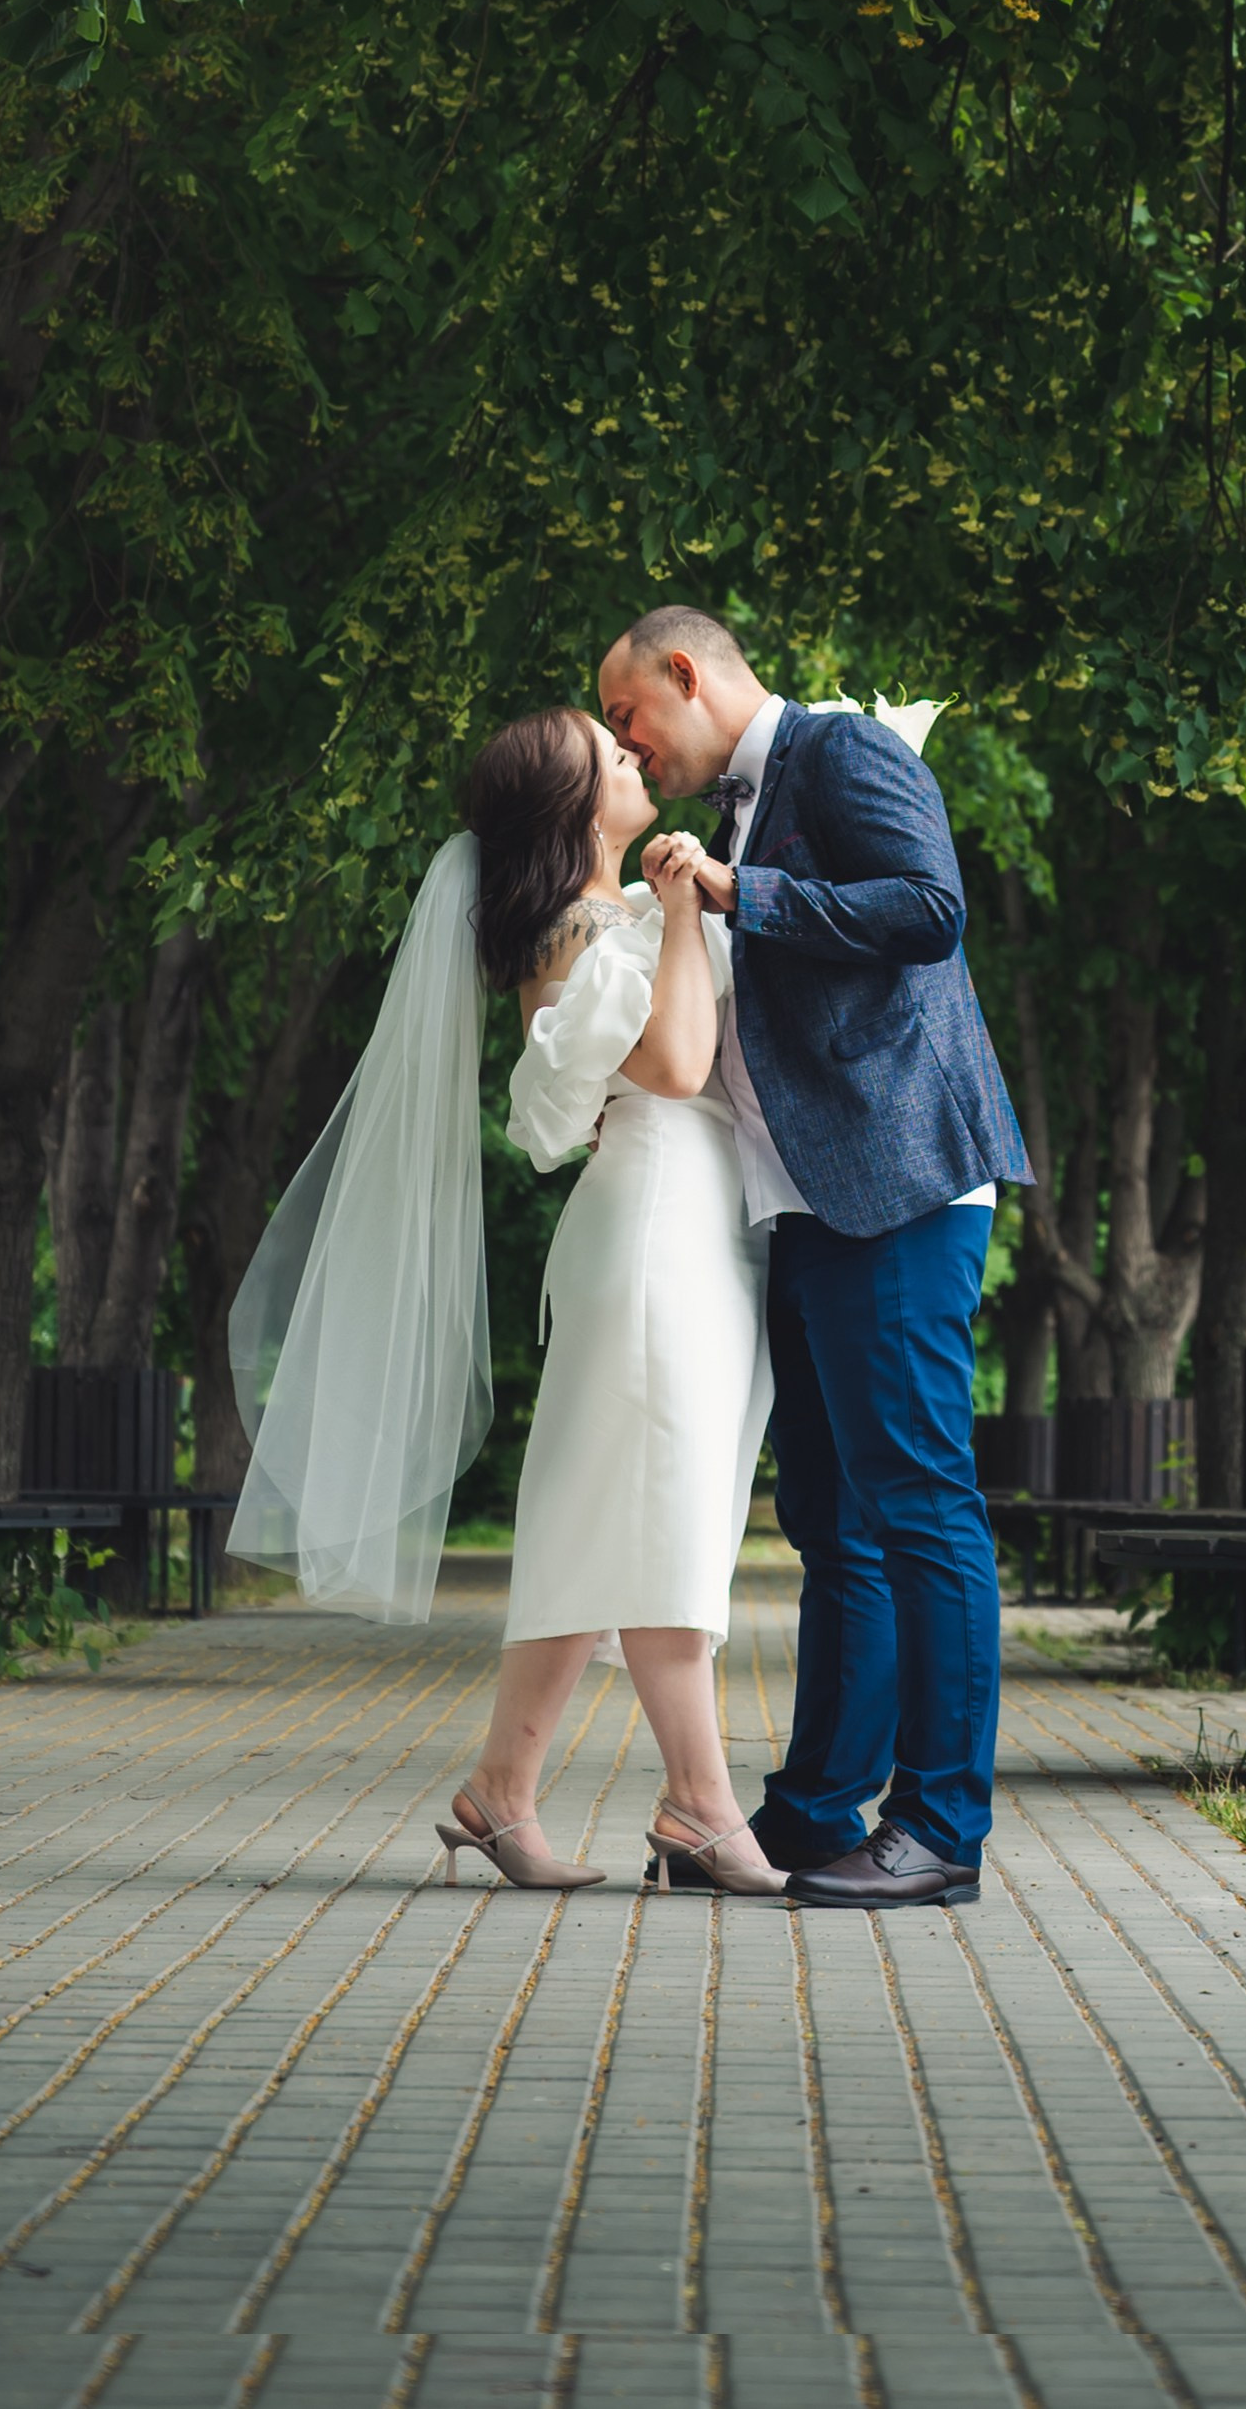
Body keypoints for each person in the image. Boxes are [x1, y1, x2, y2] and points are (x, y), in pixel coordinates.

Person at [227, 705, 783, 1899]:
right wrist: (686, 904)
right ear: (580, 809)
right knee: (660, 1525)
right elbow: (680, 1065)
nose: (636, 761)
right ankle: (699, 1804)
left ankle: (502, 1793)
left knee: (602, 1521)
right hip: (651, 1240)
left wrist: (681, 903)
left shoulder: (614, 915)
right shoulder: (586, 926)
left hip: (685, 1230)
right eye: (614, 757)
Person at [600, 607, 1031, 1912]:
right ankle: (813, 1810)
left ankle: (942, 1828)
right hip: (812, 1203)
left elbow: (929, 909)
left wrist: (745, 892)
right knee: (835, 1521)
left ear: (686, 674)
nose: (629, 744)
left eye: (629, 717)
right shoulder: (741, 795)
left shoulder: (838, 752)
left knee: (917, 1502)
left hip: (899, 1183)